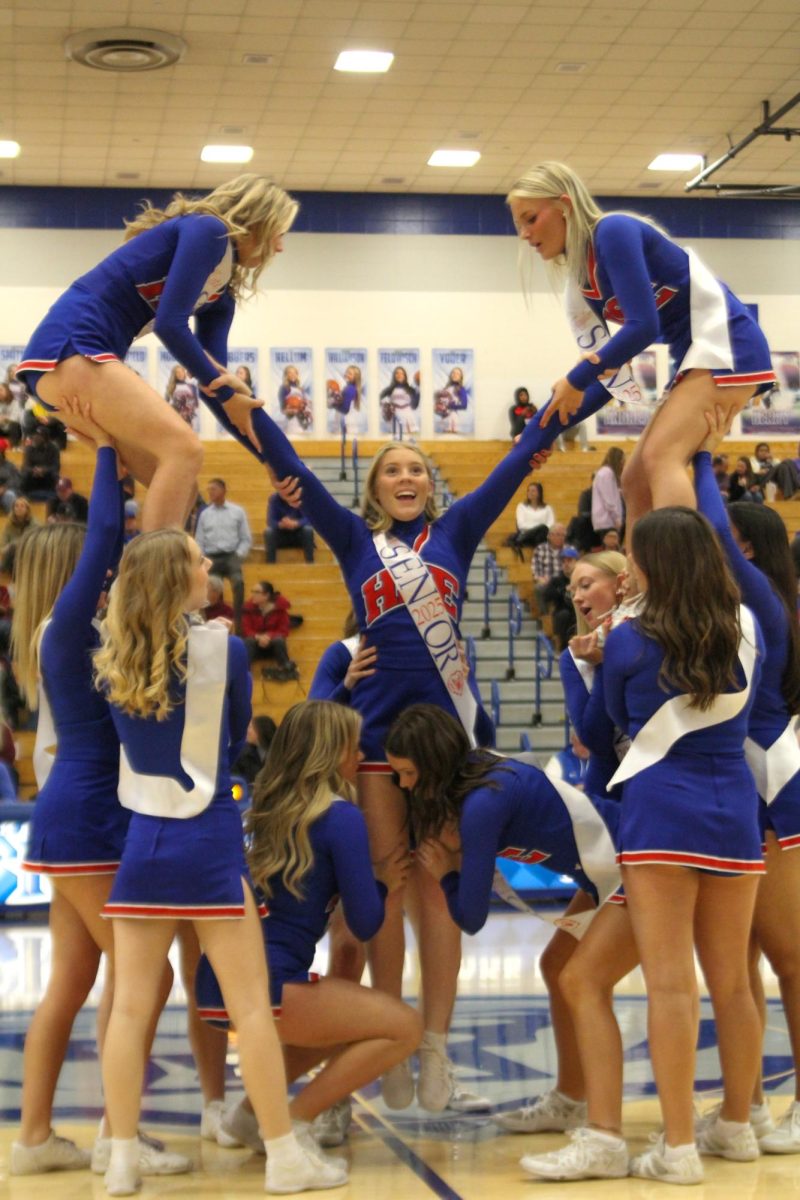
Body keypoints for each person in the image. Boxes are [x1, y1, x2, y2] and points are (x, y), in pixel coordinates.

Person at [201, 397, 559, 1113]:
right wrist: (242, 404)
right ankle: (389, 1044)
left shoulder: (457, 530)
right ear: (374, 488)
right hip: (372, 746)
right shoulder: (355, 540)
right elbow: (290, 467)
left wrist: (556, 415)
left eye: (417, 469)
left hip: (447, 743)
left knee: (441, 892)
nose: (407, 476)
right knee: (387, 890)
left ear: (430, 485)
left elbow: (513, 466)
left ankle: (433, 1049)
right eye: (393, 469)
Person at [93, 529, 345, 1196]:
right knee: (251, 1009)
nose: (211, 567)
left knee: (126, 1009)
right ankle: (284, 1156)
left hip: (144, 844)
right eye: (200, 561)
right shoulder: (226, 649)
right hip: (207, 840)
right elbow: (235, 741)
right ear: (179, 579)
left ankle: (120, 1159)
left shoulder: (112, 650)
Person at [8, 402, 184, 1180]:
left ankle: (37, 1136)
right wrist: (111, 448)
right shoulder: (74, 622)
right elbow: (112, 538)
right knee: (150, 972)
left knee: (76, 980)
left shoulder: (55, 632)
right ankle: (122, 1134)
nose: (102, 571)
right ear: (67, 573)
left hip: (73, 814)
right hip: (87, 816)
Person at [596, 507, 764, 1183]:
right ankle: (737, 1127)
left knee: (670, 986)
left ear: (655, 563)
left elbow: (607, 719)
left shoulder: (626, 640)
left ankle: (679, 1147)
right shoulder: (746, 628)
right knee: (734, 983)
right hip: (735, 813)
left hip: (659, 813)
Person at [197, 701, 421, 1153]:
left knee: (341, 1024)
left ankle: (249, 1115)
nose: (360, 758)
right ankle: (291, 1122)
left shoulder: (268, 808)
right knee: (404, 1027)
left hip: (216, 981)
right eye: (353, 749)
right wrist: (385, 887)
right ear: (330, 752)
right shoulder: (340, 817)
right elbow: (364, 922)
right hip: (269, 984)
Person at [18, 175, 297, 530]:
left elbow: (216, 388)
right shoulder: (208, 231)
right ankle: (154, 580)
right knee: (185, 449)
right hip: (71, 347)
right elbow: (170, 324)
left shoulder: (220, 297)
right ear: (259, 221)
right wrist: (223, 387)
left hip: (70, 365)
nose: (280, 247)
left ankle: (143, 579)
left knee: (184, 491)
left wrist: (267, 458)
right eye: (280, 232)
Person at [507, 162, 775, 529]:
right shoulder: (579, 286)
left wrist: (575, 378)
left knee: (661, 456)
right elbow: (608, 377)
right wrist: (542, 431)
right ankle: (638, 580)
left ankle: (676, 581)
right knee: (633, 480)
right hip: (693, 353)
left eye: (530, 218)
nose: (524, 233)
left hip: (728, 341)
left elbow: (642, 327)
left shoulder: (613, 231)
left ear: (565, 205)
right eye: (519, 224)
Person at [695, 414, 800, 1153]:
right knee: (742, 961)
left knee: (790, 953)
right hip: (739, 791)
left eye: (720, 544)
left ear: (749, 553)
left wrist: (696, 455)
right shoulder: (721, 614)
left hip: (775, 785)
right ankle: (752, 1102)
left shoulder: (766, 608)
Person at [194, 478, 251, 634]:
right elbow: (199, 539)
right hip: (211, 556)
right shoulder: (204, 514)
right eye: (209, 490)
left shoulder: (237, 512)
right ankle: (203, 622)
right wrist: (202, 559)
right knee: (205, 588)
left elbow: (246, 538)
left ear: (224, 490)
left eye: (214, 489)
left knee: (238, 583)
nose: (210, 493)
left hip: (231, 555)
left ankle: (239, 625)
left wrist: (238, 556)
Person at [241, 580, 298, 680]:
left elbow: (283, 630)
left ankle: (285, 669)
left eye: (257, 592)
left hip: (273, 646)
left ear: (266, 595)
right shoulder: (248, 608)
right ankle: (243, 674)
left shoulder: (280, 609)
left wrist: (268, 636)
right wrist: (259, 637)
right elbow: (246, 629)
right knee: (248, 641)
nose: (253, 595)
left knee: (279, 640)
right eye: (252, 591)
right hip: (255, 645)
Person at [541, 545, 579, 651]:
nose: (566, 564)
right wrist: (562, 590)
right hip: (563, 611)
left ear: (576, 562)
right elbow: (545, 595)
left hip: (579, 610)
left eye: (569, 560)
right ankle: (563, 648)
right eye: (564, 561)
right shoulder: (557, 580)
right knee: (563, 616)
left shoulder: (582, 578)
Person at [507, 480, 555, 559]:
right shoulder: (522, 506)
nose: (530, 493)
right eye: (528, 491)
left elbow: (551, 525)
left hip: (543, 535)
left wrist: (540, 528)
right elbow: (521, 525)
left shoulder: (547, 508)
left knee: (542, 532)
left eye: (533, 491)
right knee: (542, 528)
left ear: (539, 493)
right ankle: (541, 557)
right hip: (526, 535)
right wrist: (538, 528)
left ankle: (539, 557)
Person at [265, 490, 315, 563]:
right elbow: (270, 521)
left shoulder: (301, 498)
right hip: (281, 535)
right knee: (269, 532)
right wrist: (281, 524)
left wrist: (296, 523)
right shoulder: (274, 499)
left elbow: (309, 519)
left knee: (308, 530)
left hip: (298, 535)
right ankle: (270, 564)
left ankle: (310, 563)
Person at [532, 522, 567, 616]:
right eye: (558, 534)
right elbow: (536, 571)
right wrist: (541, 579)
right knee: (539, 588)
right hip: (548, 582)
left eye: (563, 535)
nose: (561, 537)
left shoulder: (569, 549)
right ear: (550, 536)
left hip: (564, 581)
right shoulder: (540, 549)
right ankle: (545, 616)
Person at [231, 714, 277, 786]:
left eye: (250, 728)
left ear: (261, 730)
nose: (247, 731)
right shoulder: (242, 754)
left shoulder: (279, 753)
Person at [591, 446, 624, 538]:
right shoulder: (607, 473)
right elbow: (609, 499)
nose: (623, 464)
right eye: (622, 460)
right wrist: (616, 518)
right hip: (607, 521)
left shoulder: (605, 473)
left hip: (606, 521)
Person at [20, 427, 60, 500]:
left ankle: (53, 498)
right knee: (24, 474)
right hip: (33, 474)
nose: (35, 438)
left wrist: (44, 470)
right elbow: (25, 466)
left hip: (48, 475)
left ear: (45, 438)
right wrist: (34, 470)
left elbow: (56, 466)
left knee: (55, 475)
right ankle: (23, 497)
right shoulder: (29, 448)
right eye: (35, 435)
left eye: (38, 436)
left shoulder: (54, 448)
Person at [380, 366, 418, 437]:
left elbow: (415, 406)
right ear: (394, 376)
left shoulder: (410, 389)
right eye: (397, 373)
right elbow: (378, 399)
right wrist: (385, 406)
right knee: (395, 438)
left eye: (401, 373)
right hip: (395, 416)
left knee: (409, 439)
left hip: (407, 415)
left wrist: (418, 392)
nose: (399, 375)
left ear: (405, 376)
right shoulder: (389, 389)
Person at [434, 367, 469, 434]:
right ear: (450, 375)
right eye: (453, 372)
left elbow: (464, 405)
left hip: (453, 417)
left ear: (461, 377)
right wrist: (438, 406)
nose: (455, 374)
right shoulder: (446, 388)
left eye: (457, 373)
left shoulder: (461, 389)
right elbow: (440, 403)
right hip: (444, 417)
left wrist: (449, 405)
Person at [164, 364, 199, 429]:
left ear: (184, 373)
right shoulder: (170, 387)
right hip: (174, 417)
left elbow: (195, 404)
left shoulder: (192, 387)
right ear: (174, 375)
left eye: (181, 372)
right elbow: (165, 404)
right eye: (177, 372)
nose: (180, 374)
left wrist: (187, 413)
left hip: (188, 418)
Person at [0, 438, 21, 513]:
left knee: (10, 496)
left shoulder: (10, 466)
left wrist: (4, 488)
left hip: (6, 492)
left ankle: (14, 520)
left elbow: (15, 481)